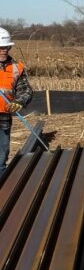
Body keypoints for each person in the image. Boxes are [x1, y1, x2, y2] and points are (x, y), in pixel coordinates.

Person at [0, 27, 32, 173]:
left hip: (3, 118)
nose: (4, 50)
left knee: (1, 157)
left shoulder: (16, 68)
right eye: (0, 47)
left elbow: (26, 90)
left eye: (6, 47)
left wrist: (19, 101)